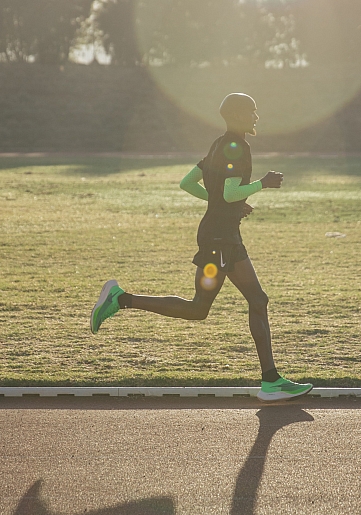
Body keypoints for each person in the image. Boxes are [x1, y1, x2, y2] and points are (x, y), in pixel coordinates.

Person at [90, 93, 313, 402]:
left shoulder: (217, 145)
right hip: (220, 239)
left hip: (221, 234)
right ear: (237, 116)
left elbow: (189, 183)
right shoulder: (238, 147)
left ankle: (272, 380)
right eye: (252, 111)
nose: (257, 117)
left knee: (230, 304)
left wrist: (229, 207)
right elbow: (229, 191)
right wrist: (262, 184)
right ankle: (121, 299)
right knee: (216, 305)